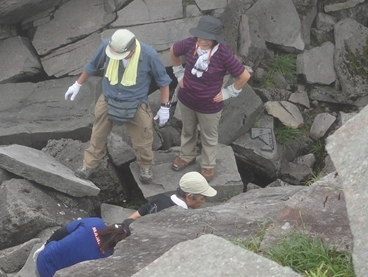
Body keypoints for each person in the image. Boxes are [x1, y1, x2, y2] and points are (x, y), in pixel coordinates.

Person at [65, 29, 172, 183]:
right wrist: (77, 84)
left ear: (133, 48)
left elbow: (163, 81)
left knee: (143, 139)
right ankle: (88, 166)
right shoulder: (106, 47)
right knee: (97, 135)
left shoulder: (149, 54)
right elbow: (92, 65)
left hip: (136, 102)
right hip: (109, 98)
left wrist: (165, 107)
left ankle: (145, 166)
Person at [170, 16, 251, 180]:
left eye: (208, 38)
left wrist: (228, 92)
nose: (203, 41)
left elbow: (244, 76)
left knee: (209, 137)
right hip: (186, 99)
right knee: (187, 130)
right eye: (201, 36)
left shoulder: (223, 54)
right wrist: (179, 74)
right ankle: (187, 156)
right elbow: (173, 51)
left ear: (215, 39)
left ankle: (207, 166)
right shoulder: (189, 43)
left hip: (209, 106)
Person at [34, 218, 130, 277]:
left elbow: (60, 232)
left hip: (42, 259)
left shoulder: (95, 223)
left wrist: (45, 245)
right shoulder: (107, 256)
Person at [126, 171, 218, 221]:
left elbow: (136, 215)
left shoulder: (159, 199)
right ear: (189, 196)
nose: (203, 201)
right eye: (202, 198)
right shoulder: (184, 217)